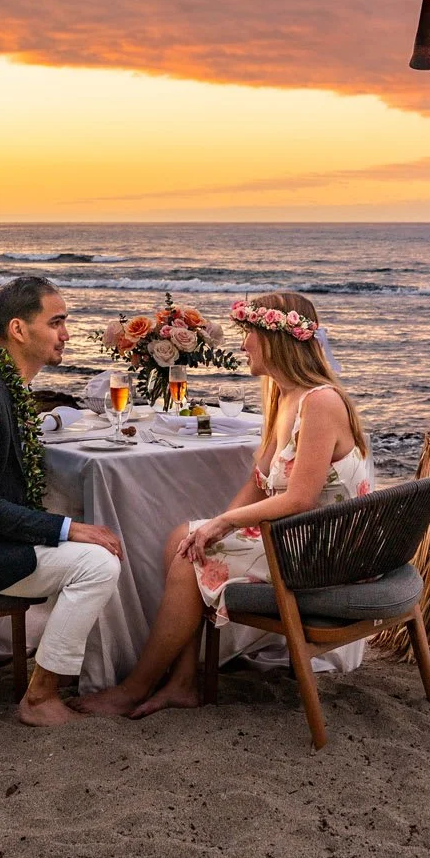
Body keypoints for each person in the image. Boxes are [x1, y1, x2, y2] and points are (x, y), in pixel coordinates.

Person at [78, 291, 373, 718]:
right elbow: (259, 481)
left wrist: (225, 523)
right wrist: (214, 524)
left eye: (249, 335)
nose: (242, 345)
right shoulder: (285, 395)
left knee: (191, 558)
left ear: (275, 339)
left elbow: (300, 498)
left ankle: (134, 687)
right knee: (183, 539)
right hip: (298, 536)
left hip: (324, 552)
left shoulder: (321, 402)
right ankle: (181, 683)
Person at [0, 275, 122, 726]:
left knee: (90, 541)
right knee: (98, 564)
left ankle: (95, 663)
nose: (66, 334)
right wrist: (69, 529)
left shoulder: (1, 386)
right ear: (18, 329)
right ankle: (40, 696)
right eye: (56, 322)